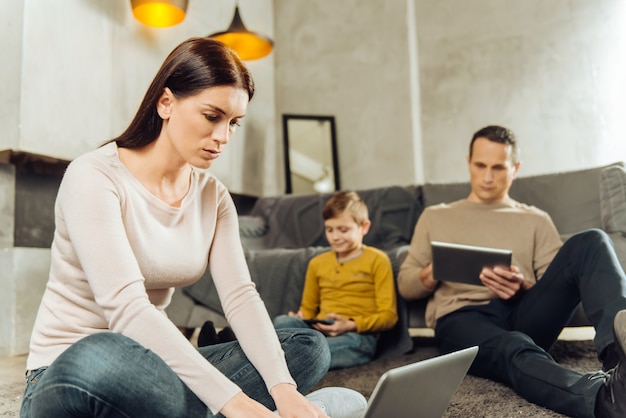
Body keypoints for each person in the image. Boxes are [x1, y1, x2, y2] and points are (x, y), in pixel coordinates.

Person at [20, 37, 367, 418]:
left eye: (234, 123)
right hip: (71, 373)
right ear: (166, 102)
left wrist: (285, 393)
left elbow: (240, 297)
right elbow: (128, 309)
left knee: (306, 347)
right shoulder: (94, 176)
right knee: (105, 353)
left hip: (155, 373)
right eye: (212, 116)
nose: (223, 137)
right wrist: (236, 404)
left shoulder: (212, 196)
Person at [397, 125, 626, 418]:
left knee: (592, 240)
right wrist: (436, 270)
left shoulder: (535, 219)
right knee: (514, 346)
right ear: (468, 163)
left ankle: (620, 358)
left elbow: (562, 286)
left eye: (498, 167)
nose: (488, 176)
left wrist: (523, 286)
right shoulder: (435, 216)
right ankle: (605, 399)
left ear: (515, 168)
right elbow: (405, 285)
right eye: (480, 165)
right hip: (462, 319)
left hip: (521, 312)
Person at [274, 191, 398, 369]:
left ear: (364, 227)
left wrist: (350, 325)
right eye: (329, 229)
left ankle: (279, 359)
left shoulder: (378, 260)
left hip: (357, 335)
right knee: (282, 322)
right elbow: (308, 310)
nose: (335, 237)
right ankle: (285, 357)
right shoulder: (317, 263)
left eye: (343, 230)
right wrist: (301, 318)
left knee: (317, 350)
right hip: (320, 329)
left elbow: (389, 316)